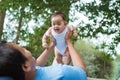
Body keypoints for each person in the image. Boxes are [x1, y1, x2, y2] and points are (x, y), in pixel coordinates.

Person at [0, 29, 87, 80]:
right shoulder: (61, 73)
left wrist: (52, 45)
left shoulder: (10, 74)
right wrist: (69, 42)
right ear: (25, 67)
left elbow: (35, 65)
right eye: (23, 49)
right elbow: (82, 71)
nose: (26, 50)